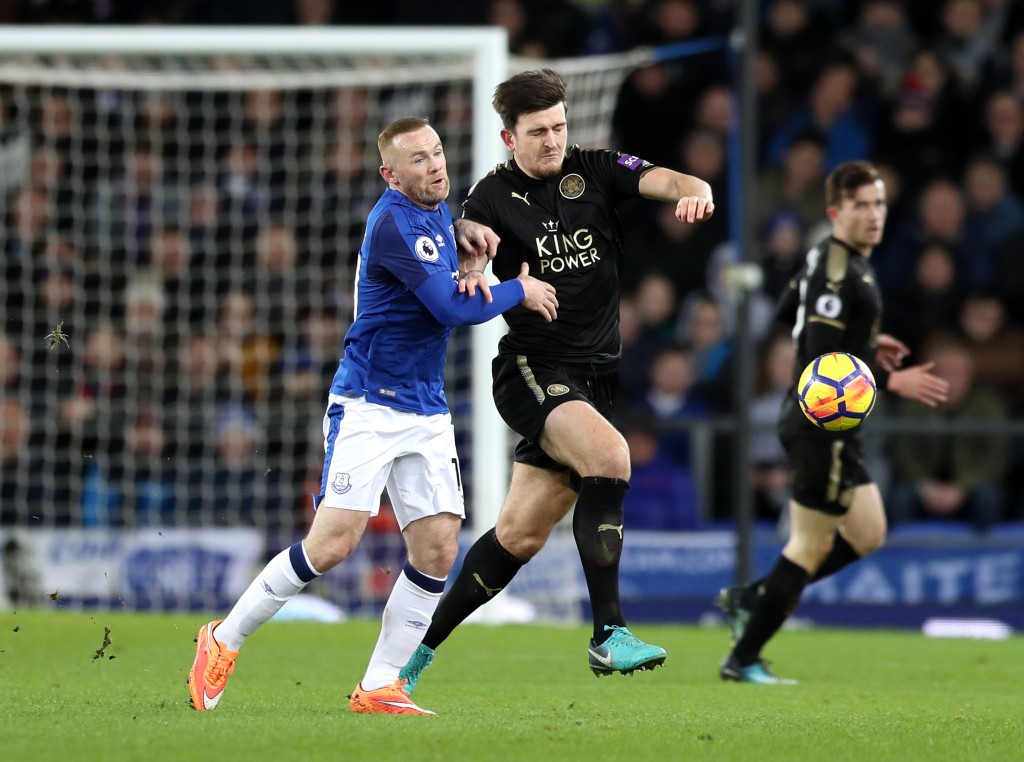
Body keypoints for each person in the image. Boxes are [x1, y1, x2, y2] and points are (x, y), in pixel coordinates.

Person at [186, 116, 557, 715]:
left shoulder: (438, 208)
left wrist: (462, 229)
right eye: (418, 160)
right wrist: (520, 291)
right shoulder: (391, 222)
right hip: (367, 403)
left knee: (437, 547)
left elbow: (444, 255)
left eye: (437, 153)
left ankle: (381, 683)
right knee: (332, 545)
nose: (434, 165)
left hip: (425, 406)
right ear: (390, 174)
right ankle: (220, 640)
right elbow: (446, 309)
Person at [397, 68, 715, 696]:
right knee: (612, 455)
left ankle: (409, 659)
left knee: (518, 535)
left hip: (596, 378)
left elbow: (667, 179)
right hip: (533, 369)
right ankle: (609, 635)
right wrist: (471, 256)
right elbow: (466, 258)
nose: (553, 140)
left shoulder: (596, 169)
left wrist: (695, 186)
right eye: (538, 131)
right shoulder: (487, 199)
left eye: (560, 127)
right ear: (508, 137)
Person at [716, 160, 950, 684]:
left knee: (868, 532)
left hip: (832, 426)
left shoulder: (829, 255)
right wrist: (894, 381)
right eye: (861, 206)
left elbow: (787, 313)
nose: (873, 215)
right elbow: (822, 359)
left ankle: (754, 595)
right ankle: (744, 656)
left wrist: (865, 339)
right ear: (835, 211)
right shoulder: (836, 267)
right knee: (811, 544)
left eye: (879, 204)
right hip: (821, 425)